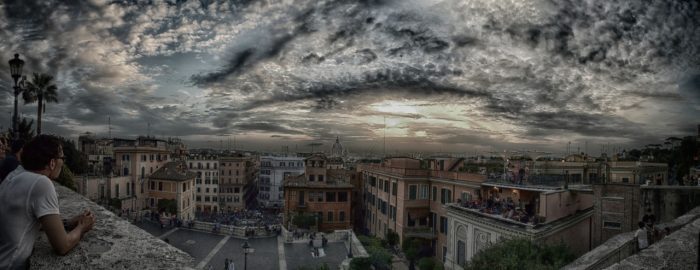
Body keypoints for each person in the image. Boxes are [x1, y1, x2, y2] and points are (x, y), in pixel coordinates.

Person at [0, 135, 96, 269]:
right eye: (62, 158)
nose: (63, 162)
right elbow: (62, 246)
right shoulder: (41, 183)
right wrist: (82, 227)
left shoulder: (15, 174)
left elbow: (28, 219)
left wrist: (68, 223)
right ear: (52, 163)